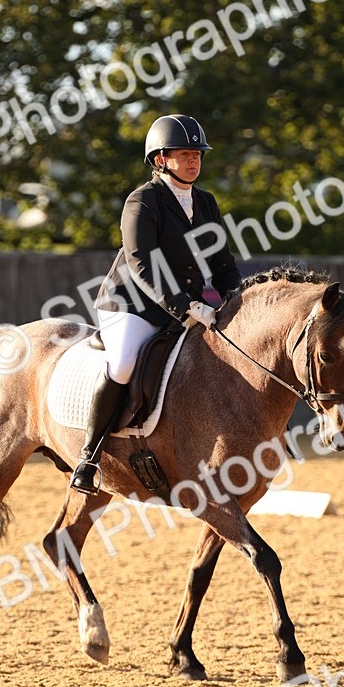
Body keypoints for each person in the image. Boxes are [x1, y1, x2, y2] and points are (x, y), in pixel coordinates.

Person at [70, 113, 241, 494]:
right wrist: (186, 307)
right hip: (131, 305)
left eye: (198, 153)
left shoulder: (206, 203)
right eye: (184, 153)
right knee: (124, 363)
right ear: (161, 159)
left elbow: (223, 264)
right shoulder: (143, 201)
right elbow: (141, 263)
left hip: (187, 308)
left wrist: (238, 302)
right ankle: (89, 457)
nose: (194, 160)